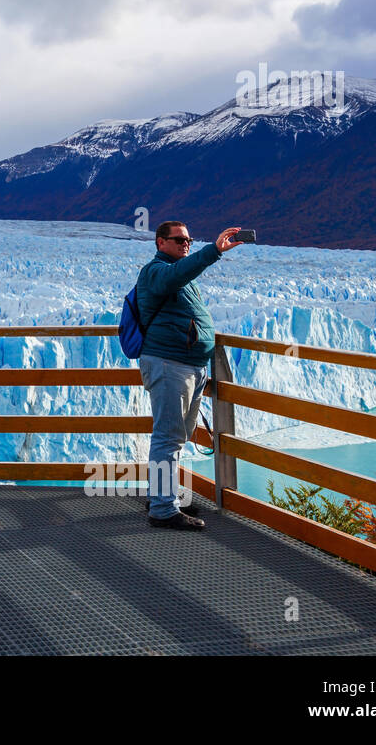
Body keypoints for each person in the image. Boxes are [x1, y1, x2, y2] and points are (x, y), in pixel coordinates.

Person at [136, 222, 247, 529]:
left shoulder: (176, 273)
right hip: (169, 365)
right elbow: (176, 275)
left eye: (189, 240)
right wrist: (213, 251)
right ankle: (162, 509)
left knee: (176, 437)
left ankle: (162, 496)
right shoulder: (156, 271)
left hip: (187, 366)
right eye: (180, 240)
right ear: (161, 242)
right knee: (168, 436)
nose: (186, 244)